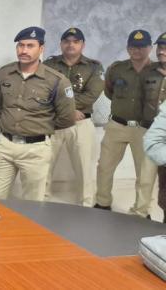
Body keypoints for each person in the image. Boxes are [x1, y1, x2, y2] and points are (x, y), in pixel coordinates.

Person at [0, 27, 75, 201]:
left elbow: (66, 117)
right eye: (20, 45)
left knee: (33, 202)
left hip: (36, 150)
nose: (24, 50)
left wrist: (39, 127)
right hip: (5, 145)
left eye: (30, 46)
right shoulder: (4, 73)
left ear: (41, 48)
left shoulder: (56, 80)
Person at [95, 29, 157, 218]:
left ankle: (141, 212)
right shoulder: (117, 69)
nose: (137, 50)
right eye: (133, 46)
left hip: (145, 129)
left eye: (141, 46)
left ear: (150, 48)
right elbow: (109, 92)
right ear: (128, 48)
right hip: (117, 125)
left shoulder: (159, 71)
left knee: (145, 173)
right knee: (104, 167)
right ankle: (103, 203)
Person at [42, 27, 104, 207]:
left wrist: (64, 106)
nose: (71, 45)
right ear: (61, 44)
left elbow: (91, 95)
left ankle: (86, 205)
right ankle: (40, 202)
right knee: (43, 165)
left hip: (81, 123)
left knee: (84, 168)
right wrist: (68, 110)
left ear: (82, 45)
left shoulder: (94, 67)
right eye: (67, 41)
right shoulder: (49, 65)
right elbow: (43, 92)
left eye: (75, 42)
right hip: (53, 123)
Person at [143, 32, 166, 221]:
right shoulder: (149, 71)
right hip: (155, 133)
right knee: (161, 186)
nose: (161, 51)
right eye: (160, 47)